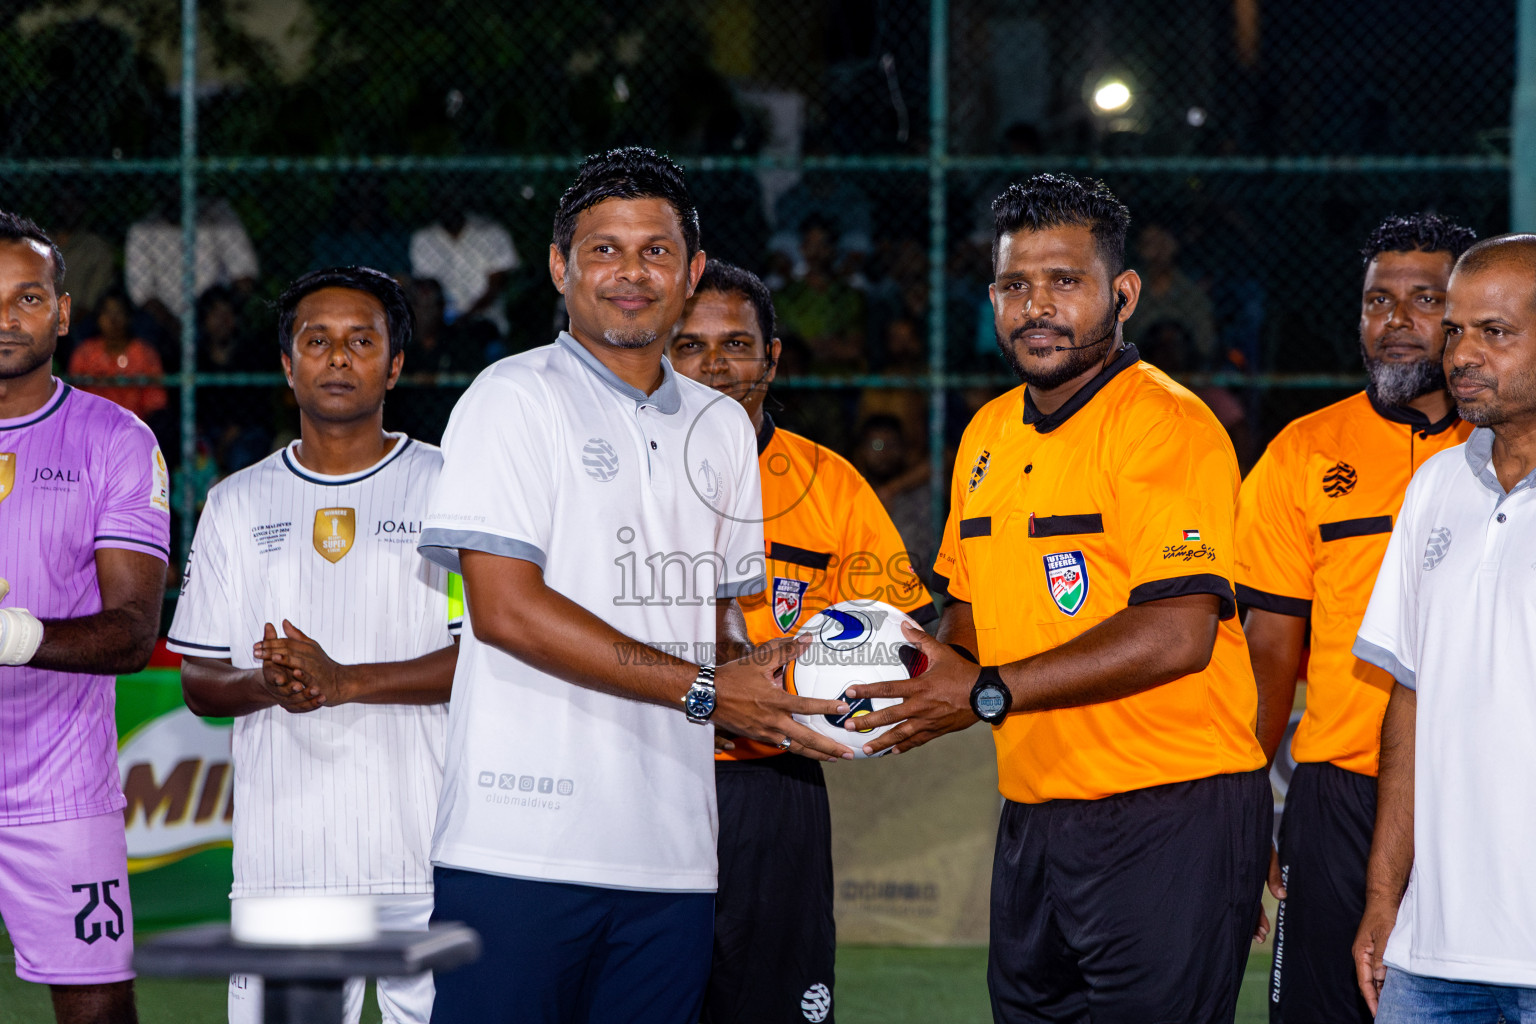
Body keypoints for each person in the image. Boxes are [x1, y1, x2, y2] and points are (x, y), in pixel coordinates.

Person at [417, 147, 854, 1024]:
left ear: (691, 271)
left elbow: (721, 630)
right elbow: (505, 611)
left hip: (676, 857)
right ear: (558, 266)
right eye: (603, 250)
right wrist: (709, 690)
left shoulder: (724, 427)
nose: (630, 273)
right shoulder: (511, 398)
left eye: (655, 251)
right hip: (519, 851)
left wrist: (813, 687)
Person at [841, 174, 1270, 1021]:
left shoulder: (1167, 426)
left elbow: (1178, 632)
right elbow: (964, 611)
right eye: (1014, 285)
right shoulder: (987, 433)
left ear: (1123, 293)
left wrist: (986, 691)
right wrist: (882, 672)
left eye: (1064, 282)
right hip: (1037, 809)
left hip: (1169, 811)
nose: (1037, 306)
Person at [167, 266, 462, 1024]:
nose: (338, 358)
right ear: (287, 364)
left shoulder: (453, 487)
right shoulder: (236, 503)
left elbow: (489, 660)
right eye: (317, 340)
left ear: (395, 363)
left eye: (361, 341)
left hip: (432, 863)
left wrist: (343, 680)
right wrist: (274, 685)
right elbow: (199, 680)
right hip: (288, 872)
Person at [667, 259, 935, 1024]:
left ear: (773, 357)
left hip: (771, 786)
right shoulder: (620, 478)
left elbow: (899, 634)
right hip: (643, 772)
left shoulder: (833, 484)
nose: (714, 365)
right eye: (689, 346)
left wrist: (850, 703)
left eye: (736, 344)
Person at [1236, 212, 1476, 1024]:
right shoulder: (1301, 452)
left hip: (1478, 786)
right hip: (1338, 789)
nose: (1397, 323)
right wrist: (1242, 810)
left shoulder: (1510, 444)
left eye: (1424, 300)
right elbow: (1269, 653)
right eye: (1379, 301)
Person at [1351, 233, 1536, 1019]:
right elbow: (1410, 703)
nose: (1461, 354)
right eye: (1456, 329)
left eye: (1495, 333)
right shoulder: (1434, 484)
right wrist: (1385, 899)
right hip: (1433, 954)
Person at [0, 210, 170, 1024]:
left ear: (63, 313)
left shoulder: (116, 439)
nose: (6, 318)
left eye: (27, 298)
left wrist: (13, 637)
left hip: (60, 792)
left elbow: (135, 631)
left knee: (99, 1011)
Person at [408, 197, 518, 337]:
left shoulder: (492, 232)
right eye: (442, 198)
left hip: (484, 320)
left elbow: (496, 285)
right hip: (439, 325)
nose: (447, 206)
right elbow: (425, 289)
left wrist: (465, 318)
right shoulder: (423, 238)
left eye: (452, 198)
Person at [66, 291, 168, 422]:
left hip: (134, 426)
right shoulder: (85, 353)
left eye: (119, 312)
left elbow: (155, 402)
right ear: (98, 318)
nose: (113, 319)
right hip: (92, 426)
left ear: (129, 317)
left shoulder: (144, 353)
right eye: (107, 313)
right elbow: (74, 398)